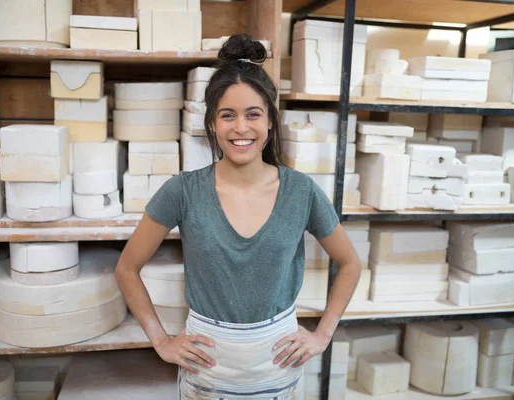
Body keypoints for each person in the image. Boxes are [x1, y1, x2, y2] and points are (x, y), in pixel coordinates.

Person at [115, 34, 362, 399]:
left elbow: (350, 263)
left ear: (271, 122)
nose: (241, 128)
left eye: (253, 114)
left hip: (278, 367)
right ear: (212, 124)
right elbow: (126, 269)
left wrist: (322, 334)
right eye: (227, 115)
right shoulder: (182, 191)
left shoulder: (301, 191)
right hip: (207, 370)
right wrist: (161, 340)